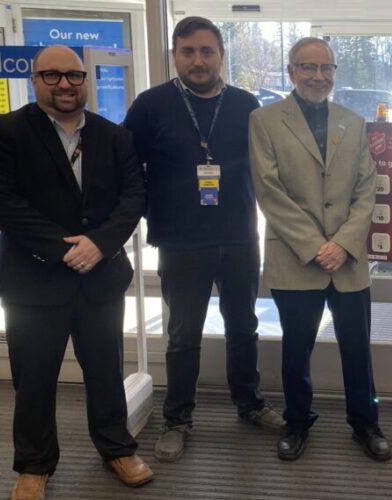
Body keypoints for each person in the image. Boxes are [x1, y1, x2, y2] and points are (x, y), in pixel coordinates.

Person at [0, 45, 152, 499]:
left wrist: (100, 245)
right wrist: (63, 250)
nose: (64, 85)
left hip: (101, 274)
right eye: (52, 76)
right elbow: (1, 202)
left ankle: (116, 448)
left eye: (73, 75)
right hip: (33, 280)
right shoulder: (3, 132)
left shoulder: (115, 137)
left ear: (85, 80)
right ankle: (34, 466)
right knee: (33, 378)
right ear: (35, 81)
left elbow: (133, 197)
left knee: (107, 372)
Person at [123, 16, 284, 462]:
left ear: (221, 56)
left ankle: (249, 403)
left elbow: (270, 166)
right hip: (180, 240)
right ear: (175, 55)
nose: (198, 61)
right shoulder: (150, 105)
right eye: (188, 52)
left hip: (237, 236)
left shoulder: (246, 104)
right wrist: (143, 214)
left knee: (243, 326)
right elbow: (125, 168)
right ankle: (178, 418)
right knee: (182, 334)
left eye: (207, 51)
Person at [249, 37, 390, 462]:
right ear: (290, 72)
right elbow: (269, 192)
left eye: (326, 67)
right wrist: (315, 246)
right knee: (296, 348)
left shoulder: (353, 121)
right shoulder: (265, 121)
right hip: (295, 256)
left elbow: (366, 190)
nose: (317, 76)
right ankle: (297, 421)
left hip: (347, 260)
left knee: (356, 347)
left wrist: (344, 244)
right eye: (307, 67)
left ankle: (365, 423)